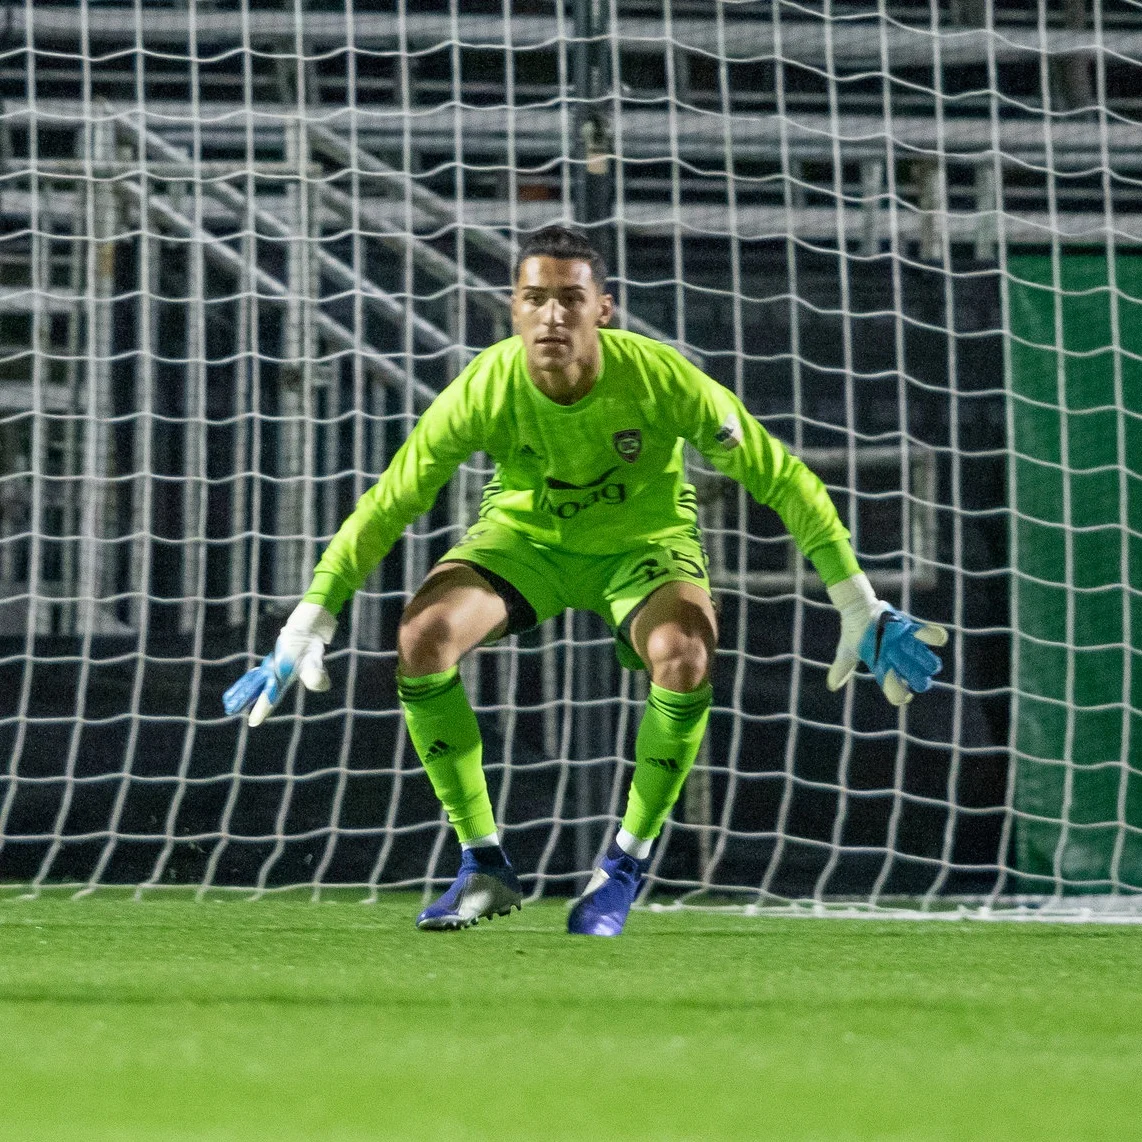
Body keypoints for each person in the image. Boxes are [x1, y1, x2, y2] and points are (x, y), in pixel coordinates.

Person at [223, 225, 947, 937]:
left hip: (645, 547)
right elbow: (389, 504)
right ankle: (483, 865)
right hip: (525, 541)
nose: (552, 316)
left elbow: (780, 476)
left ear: (604, 308)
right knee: (423, 634)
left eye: (570, 298)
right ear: (513, 307)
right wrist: (309, 618)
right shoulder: (485, 386)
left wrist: (857, 601)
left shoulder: (660, 377)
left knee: (685, 653)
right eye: (535, 298)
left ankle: (623, 866)